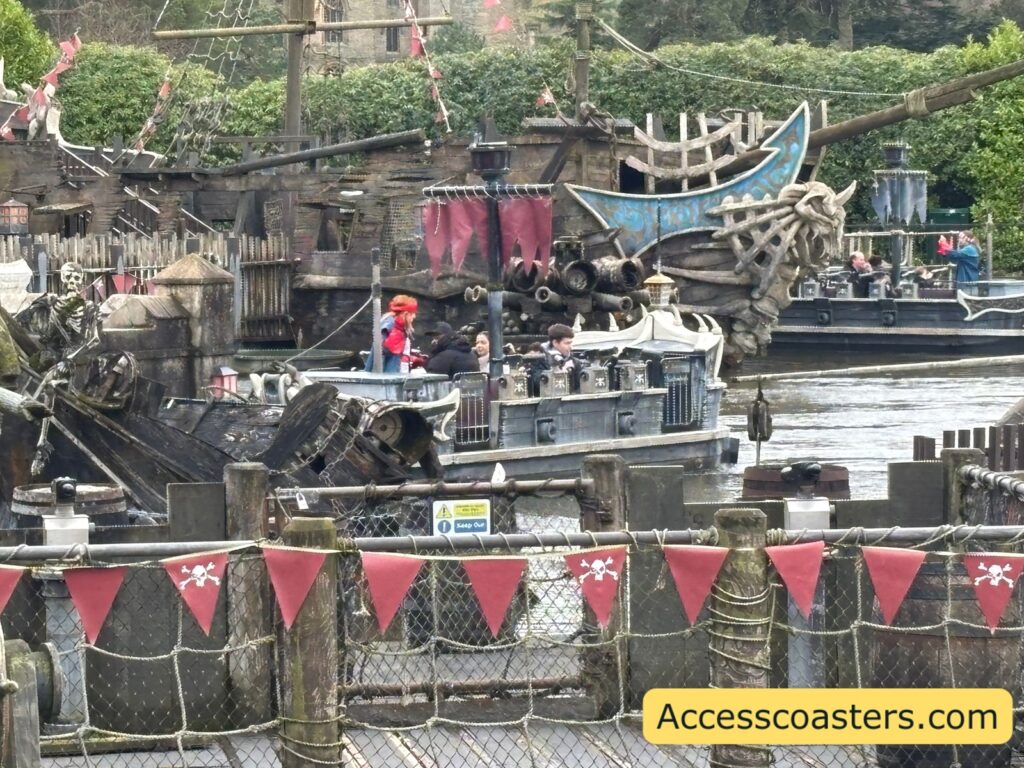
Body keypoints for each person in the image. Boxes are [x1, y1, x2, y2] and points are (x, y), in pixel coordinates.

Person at [365, 294, 424, 373]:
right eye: (412, 313)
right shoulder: (392, 325)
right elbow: (386, 351)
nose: (414, 316)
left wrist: (411, 358)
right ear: (406, 314)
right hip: (387, 375)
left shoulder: (400, 327)